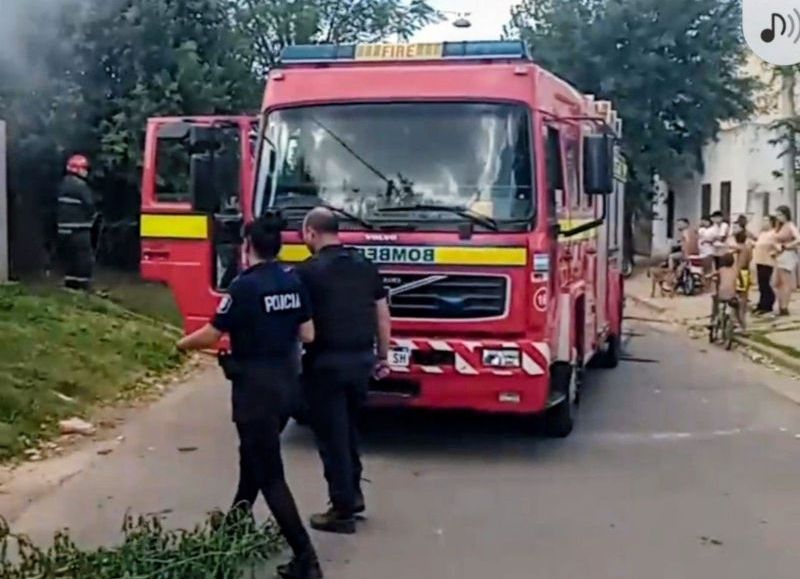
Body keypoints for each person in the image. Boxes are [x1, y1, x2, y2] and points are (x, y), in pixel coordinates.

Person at [177, 214, 322, 579]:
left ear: (247, 247)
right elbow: (308, 335)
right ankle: (235, 524)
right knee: (253, 459)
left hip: (254, 391)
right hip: (287, 387)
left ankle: (306, 558)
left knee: (270, 474)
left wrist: (181, 345)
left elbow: (211, 335)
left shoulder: (244, 287)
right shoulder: (292, 280)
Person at [295, 207, 391, 535]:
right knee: (349, 430)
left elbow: (301, 324)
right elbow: (382, 314)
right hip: (361, 360)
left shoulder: (306, 272)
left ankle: (342, 510)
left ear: (311, 233)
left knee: (331, 436)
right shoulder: (365, 265)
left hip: (326, 363)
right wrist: (383, 355)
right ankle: (354, 494)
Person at [56, 154, 97, 290]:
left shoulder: (62, 184)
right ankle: (83, 286)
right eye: (84, 168)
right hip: (79, 229)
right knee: (84, 258)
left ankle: (70, 286)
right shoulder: (81, 186)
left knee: (69, 258)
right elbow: (89, 205)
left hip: (62, 229)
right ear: (79, 169)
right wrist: (93, 216)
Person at [772, 205, 799, 316]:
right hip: (779, 255)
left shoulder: (790, 225)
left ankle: (784, 307)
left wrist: (787, 246)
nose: (778, 217)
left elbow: (798, 238)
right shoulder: (780, 226)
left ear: (786, 215)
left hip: (787, 255)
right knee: (776, 282)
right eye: (777, 215)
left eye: (780, 215)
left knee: (785, 281)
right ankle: (780, 304)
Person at [753, 215, 778, 315]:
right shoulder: (762, 233)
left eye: (766, 220)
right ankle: (762, 304)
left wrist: (774, 252)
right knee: (761, 284)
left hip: (767, 261)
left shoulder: (774, 234)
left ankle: (768, 304)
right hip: (759, 260)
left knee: (765, 283)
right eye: (763, 220)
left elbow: (778, 246)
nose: (764, 222)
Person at [731, 228, 752, 331]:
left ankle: (741, 323)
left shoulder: (741, 249)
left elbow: (741, 263)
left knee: (740, 299)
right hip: (746, 273)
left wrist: (735, 274)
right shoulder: (747, 247)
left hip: (741, 273)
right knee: (743, 297)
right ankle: (740, 321)